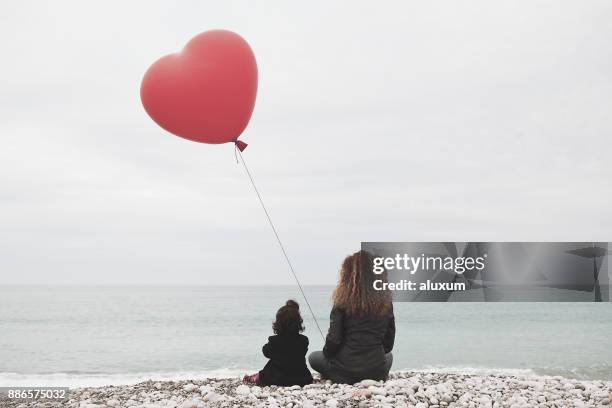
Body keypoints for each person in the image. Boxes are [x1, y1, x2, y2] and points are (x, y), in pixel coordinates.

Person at [309, 250, 395, 384]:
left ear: (348, 275)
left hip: (344, 372)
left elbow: (334, 341)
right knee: (389, 357)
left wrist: (329, 354)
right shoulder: (386, 302)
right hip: (376, 371)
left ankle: (333, 374)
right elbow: (388, 345)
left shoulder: (341, 302)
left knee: (314, 357)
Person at [243, 300, 313, 386]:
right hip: (301, 378)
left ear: (278, 323)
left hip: (278, 378)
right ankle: (258, 376)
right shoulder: (304, 340)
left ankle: (257, 376)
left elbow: (266, 352)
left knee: (269, 368)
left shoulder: (275, 341)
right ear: (298, 322)